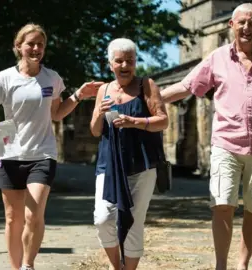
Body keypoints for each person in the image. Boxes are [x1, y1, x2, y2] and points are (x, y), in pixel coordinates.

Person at [161, 3, 252, 270]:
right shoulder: (218, 58)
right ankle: (221, 265)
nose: (247, 27)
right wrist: (151, 97)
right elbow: (187, 86)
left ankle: (242, 264)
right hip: (227, 142)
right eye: (242, 22)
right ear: (231, 25)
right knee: (222, 203)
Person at [0, 23, 103, 270]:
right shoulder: (4, 78)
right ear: (18, 47)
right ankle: (15, 268)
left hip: (43, 154)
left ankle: (28, 265)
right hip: (11, 153)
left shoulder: (52, 78)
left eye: (40, 45)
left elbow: (57, 114)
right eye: (30, 44)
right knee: (13, 219)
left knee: (33, 214)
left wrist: (78, 95)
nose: (36, 49)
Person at [90, 38, 168, 270]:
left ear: (135, 62)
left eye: (130, 61)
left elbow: (162, 121)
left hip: (141, 163)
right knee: (103, 219)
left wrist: (134, 121)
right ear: (110, 63)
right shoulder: (103, 90)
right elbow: (95, 131)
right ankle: (118, 266)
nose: (125, 65)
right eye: (119, 61)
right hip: (109, 164)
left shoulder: (147, 85)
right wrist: (98, 113)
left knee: (133, 222)